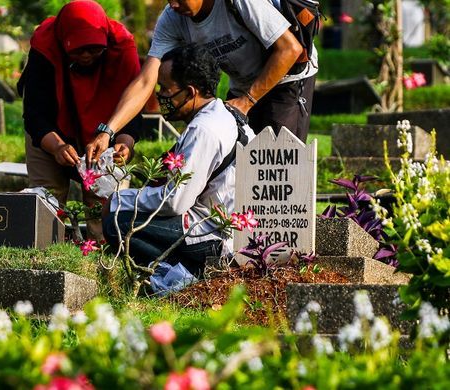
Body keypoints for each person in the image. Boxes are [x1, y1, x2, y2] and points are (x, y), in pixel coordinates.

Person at [87, 0, 316, 164]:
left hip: (287, 81)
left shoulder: (239, 3)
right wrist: (108, 131)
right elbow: (146, 80)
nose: (173, 5)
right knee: (234, 164)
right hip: (243, 86)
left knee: (277, 166)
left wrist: (247, 101)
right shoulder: (172, 18)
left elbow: (290, 49)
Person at [102, 43, 255, 276]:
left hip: (211, 233)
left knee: (117, 222)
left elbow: (176, 201)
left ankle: (182, 274)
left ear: (190, 92)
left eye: (165, 88)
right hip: (221, 222)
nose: (160, 95)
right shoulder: (224, 114)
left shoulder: (204, 130)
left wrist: (120, 200)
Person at [17, 0, 142, 212]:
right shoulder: (45, 46)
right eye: (76, 50)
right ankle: (50, 245)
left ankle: (100, 245)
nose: (85, 56)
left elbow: (133, 107)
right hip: (50, 133)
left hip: (106, 136)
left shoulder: (121, 47)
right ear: (62, 41)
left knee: (105, 206)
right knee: (48, 199)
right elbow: (35, 114)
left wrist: (124, 144)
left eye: (94, 49)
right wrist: (57, 147)